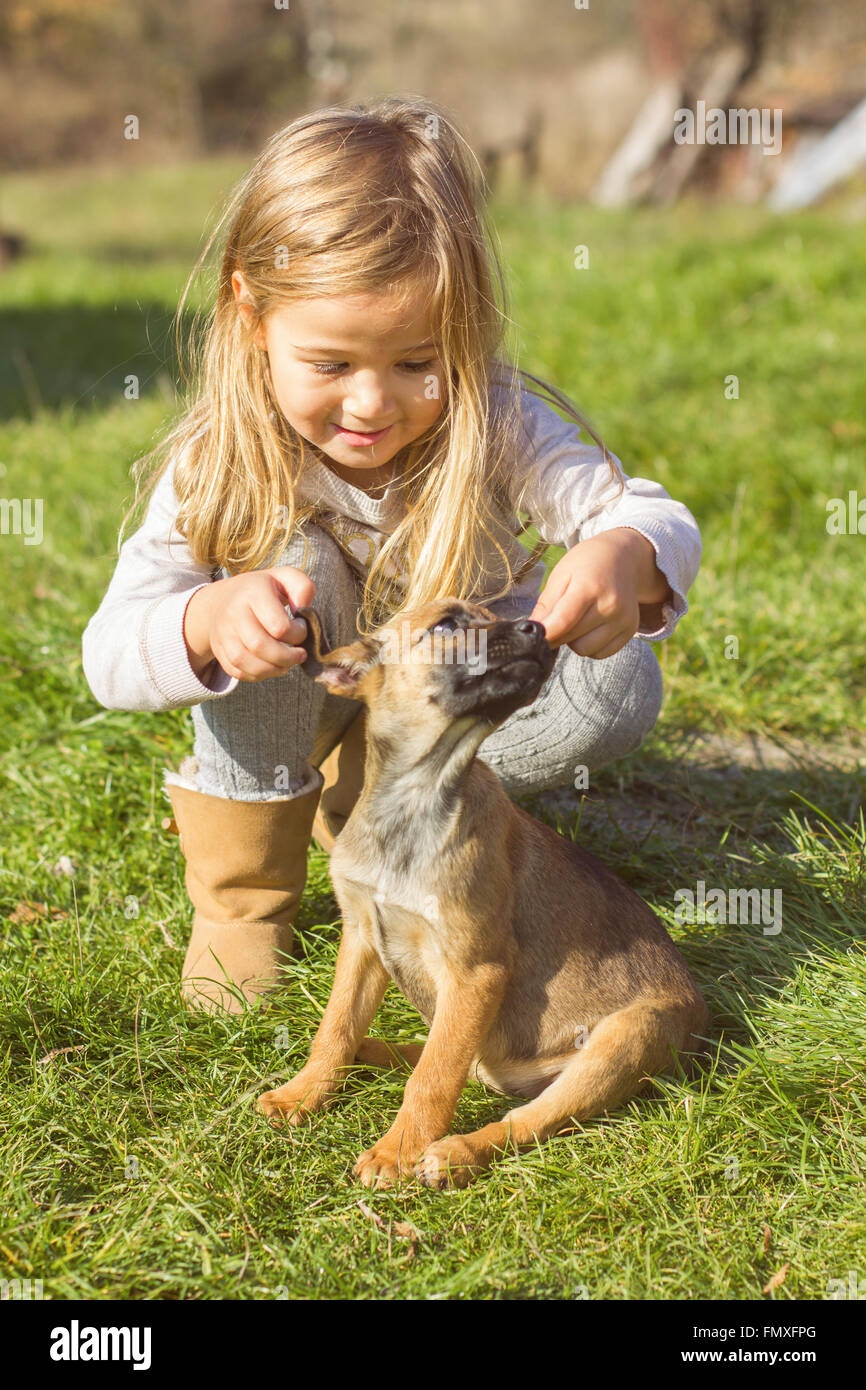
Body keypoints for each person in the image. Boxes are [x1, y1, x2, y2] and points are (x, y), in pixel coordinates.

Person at [81, 96, 701, 1015]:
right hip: (296, 710)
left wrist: (626, 549)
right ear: (252, 315)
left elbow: (649, 511)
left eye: (418, 362)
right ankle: (248, 896)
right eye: (330, 365)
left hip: (422, 720)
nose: (372, 403)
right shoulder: (220, 458)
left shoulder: (495, 421)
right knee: (282, 566)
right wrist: (206, 619)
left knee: (620, 685)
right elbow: (106, 655)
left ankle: (374, 805)